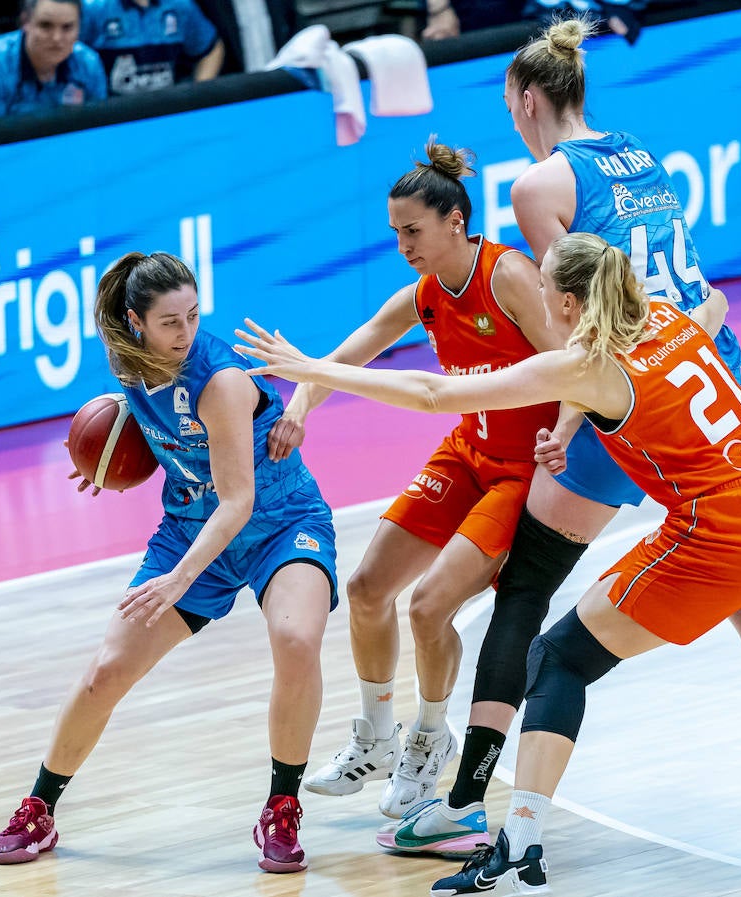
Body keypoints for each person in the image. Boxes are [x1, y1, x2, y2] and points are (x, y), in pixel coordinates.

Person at [234, 232, 741, 896]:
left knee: (558, 656)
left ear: (569, 302)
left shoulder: (585, 363)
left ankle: (520, 838)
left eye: (547, 288)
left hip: (728, 524)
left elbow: (434, 392)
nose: (540, 298)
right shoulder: (667, 314)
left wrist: (312, 369)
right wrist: (577, 417)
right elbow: (717, 307)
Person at [474, 14, 741, 830]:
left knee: (527, 583)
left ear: (525, 100)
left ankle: (466, 797)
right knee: (739, 585)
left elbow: (576, 322)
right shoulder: (636, 151)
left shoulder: (536, 187)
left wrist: (565, 419)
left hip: (638, 387)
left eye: (507, 105)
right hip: (709, 370)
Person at [0, 251, 338, 875]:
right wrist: (104, 460)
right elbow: (157, 433)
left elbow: (237, 500)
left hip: (280, 522)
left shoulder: (220, 380)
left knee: (295, 639)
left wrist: (179, 580)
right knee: (106, 672)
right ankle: (39, 807)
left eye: (194, 316)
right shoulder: (128, 364)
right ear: (136, 322)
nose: (186, 332)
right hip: (187, 528)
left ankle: (281, 807)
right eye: (171, 322)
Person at [273, 141, 565, 846]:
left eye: (413, 230)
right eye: (395, 232)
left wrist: (567, 438)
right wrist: (300, 404)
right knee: (367, 587)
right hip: (467, 453)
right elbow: (352, 351)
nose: (402, 245)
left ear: (456, 221)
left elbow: (570, 361)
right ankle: (377, 734)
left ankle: (431, 738)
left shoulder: (509, 276)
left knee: (430, 606)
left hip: (520, 469)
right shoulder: (427, 295)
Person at [0, 0, 107, 124]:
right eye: (45, 25)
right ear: (25, 22)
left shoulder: (88, 63)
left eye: (67, 27)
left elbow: (96, 127)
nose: (57, 38)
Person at [79, 0, 223, 97]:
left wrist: (197, 94)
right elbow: (73, 56)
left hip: (167, 109)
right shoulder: (93, 8)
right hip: (112, 114)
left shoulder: (181, 6)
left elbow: (211, 50)